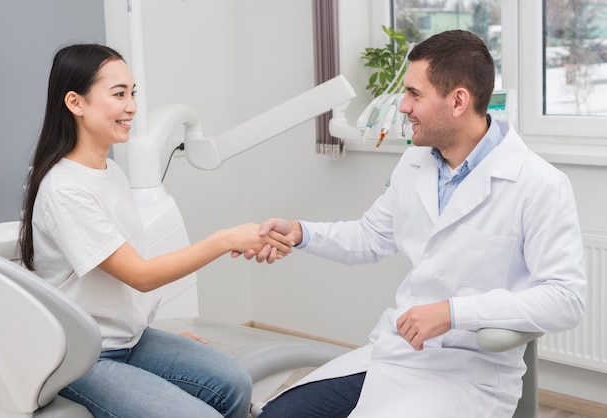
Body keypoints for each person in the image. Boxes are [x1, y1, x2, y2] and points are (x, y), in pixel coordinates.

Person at [244, 30, 587, 417]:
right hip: (395, 354)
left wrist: (453, 312)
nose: (403, 106)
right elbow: (371, 236)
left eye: (414, 94)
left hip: (469, 373)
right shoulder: (415, 162)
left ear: (458, 100)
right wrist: (302, 232)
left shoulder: (537, 183)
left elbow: (566, 300)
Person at [18, 43, 292, 418]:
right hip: (82, 356)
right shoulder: (64, 188)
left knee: (233, 383)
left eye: (133, 94)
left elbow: (120, 282)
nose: (131, 106)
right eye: (118, 94)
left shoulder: (111, 173)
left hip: (129, 340)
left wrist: (158, 340)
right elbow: (140, 276)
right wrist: (225, 239)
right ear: (75, 103)